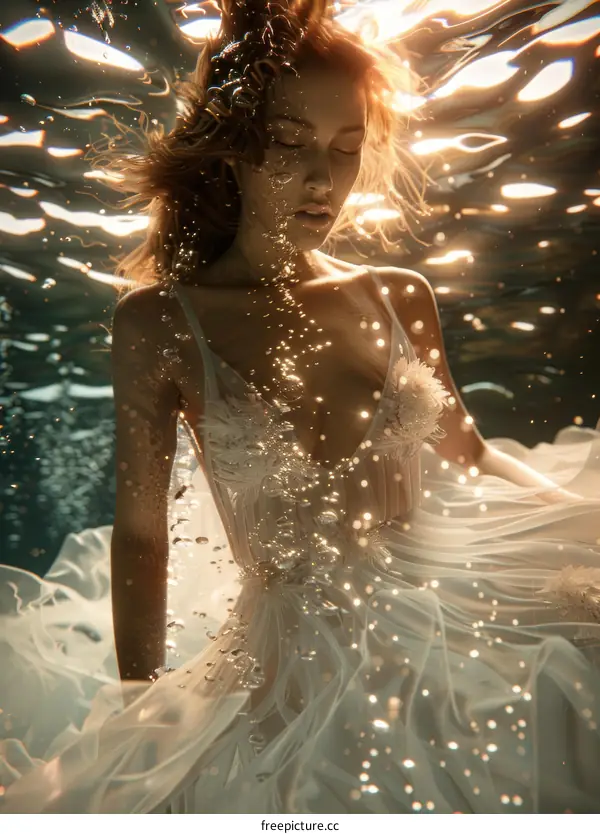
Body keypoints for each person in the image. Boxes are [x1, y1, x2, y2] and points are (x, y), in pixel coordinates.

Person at [1, 0, 600, 814]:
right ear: (233, 153)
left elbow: (472, 452)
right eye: (290, 147)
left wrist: (580, 520)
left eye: (347, 151)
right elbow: (142, 533)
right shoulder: (159, 322)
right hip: (293, 658)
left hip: (451, 599)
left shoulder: (399, 294)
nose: (324, 180)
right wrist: (138, 698)